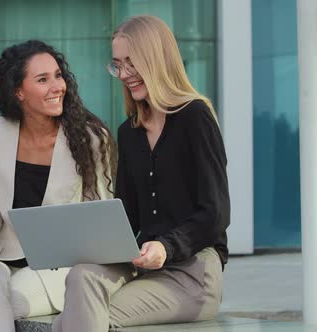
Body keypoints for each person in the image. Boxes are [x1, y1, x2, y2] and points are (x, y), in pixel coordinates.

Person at [53, 15, 230, 331]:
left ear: (157, 60)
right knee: (81, 275)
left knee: (81, 316)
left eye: (132, 63)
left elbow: (215, 213)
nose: (124, 74)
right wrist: (86, 242)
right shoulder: (129, 132)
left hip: (193, 271)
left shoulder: (195, 117)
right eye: (118, 65)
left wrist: (166, 246)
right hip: (143, 265)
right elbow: (128, 217)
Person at [0, 39, 116, 332]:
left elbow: (100, 216)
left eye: (58, 75)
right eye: (42, 79)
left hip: (54, 267)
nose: (57, 86)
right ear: (19, 91)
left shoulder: (91, 138)